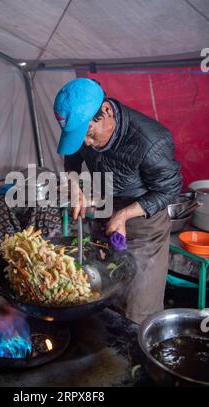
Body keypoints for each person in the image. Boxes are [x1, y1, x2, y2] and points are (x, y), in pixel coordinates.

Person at [53, 78, 182, 324]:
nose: (86, 144)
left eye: (89, 134)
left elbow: (169, 189)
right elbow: (71, 161)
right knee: (100, 293)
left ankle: (136, 357)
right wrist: (76, 187)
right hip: (106, 206)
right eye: (80, 138)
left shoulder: (151, 141)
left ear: (107, 111)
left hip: (144, 222)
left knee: (136, 309)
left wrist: (123, 215)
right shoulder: (83, 130)